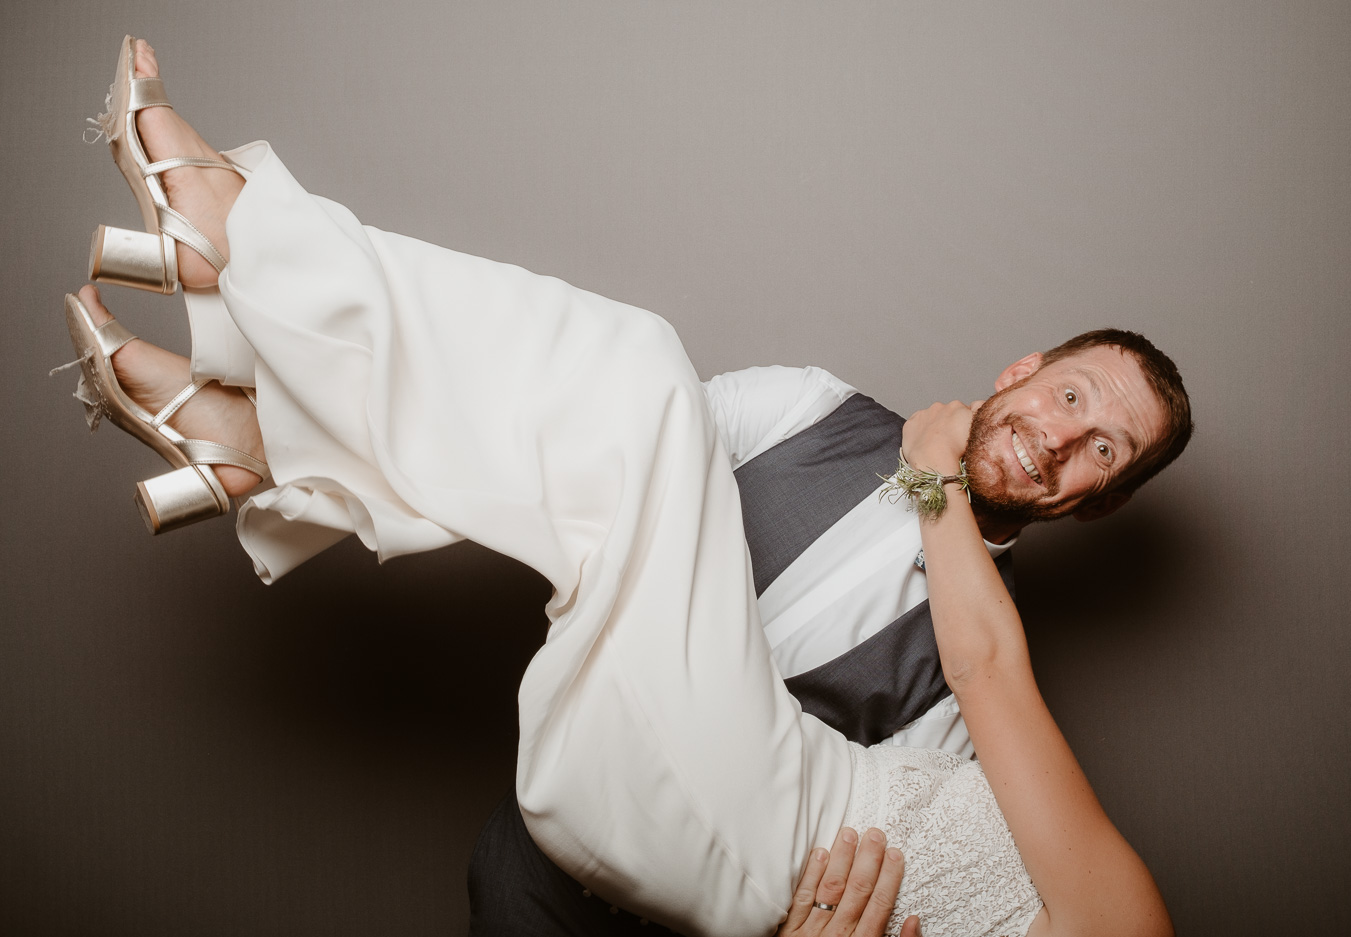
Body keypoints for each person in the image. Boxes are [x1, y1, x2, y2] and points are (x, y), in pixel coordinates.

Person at [66, 37, 1185, 937]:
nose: (1063, 442)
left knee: (632, 376)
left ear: (1099, 501)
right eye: (1075, 399)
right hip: (558, 837)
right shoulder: (813, 408)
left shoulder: (976, 694)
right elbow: (562, 443)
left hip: (693, 861)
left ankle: (251, 300)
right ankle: (260, 427)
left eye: (1103, 453)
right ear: (1023, 372)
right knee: (629, 378)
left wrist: (934, 477)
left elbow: (887, 841)